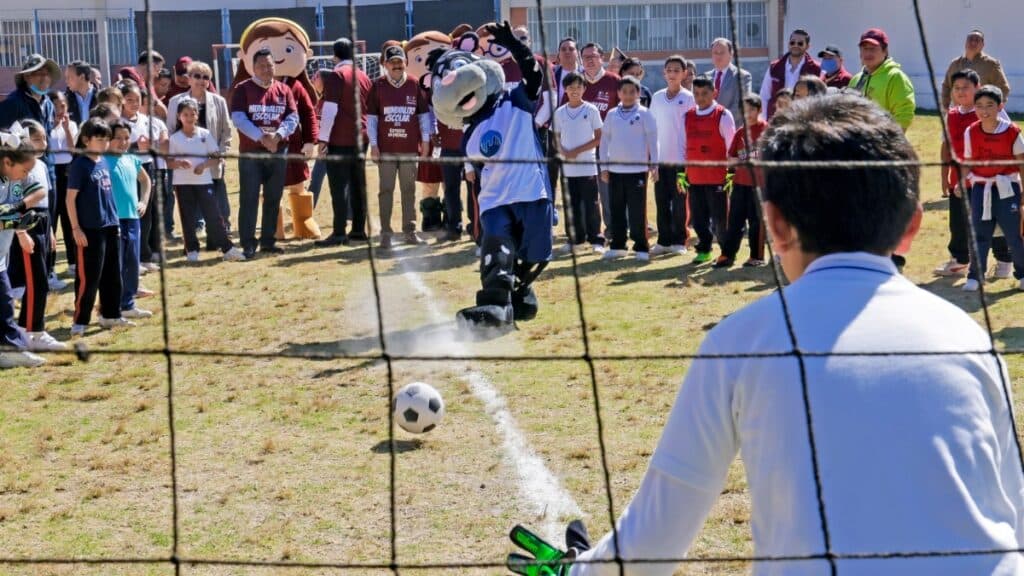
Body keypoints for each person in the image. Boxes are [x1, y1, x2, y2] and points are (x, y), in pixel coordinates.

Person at [513, 92, 1024, 576]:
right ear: (912, 226)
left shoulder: (740, 342)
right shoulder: (971, 339)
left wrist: (580, 569)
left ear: (774, 225)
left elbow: (650, 547)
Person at [933, 69, 1012, 279]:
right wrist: (944, 175)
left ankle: (1004, 261)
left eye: (966, 87)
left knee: (993, 221)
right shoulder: (951, 115)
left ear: (977, 88)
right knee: (958, 223)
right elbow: (946, 145)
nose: (960, 92)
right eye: (956, 88)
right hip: (958, 180)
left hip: (988, 181)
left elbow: (1008, 141)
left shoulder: (992, 110)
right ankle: (960, 260)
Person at [66, 118, 136, 336]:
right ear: (86, 140)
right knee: (89, 277)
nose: (104, 143)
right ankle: (80, 321)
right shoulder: (80, 165)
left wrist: (114, 221)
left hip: (110, 226)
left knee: (113, 275)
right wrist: (76, 229)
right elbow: (70, 200)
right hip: (89, 230)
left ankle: (111, 315)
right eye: (99, 139)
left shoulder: (103, 161)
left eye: (107, 139)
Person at [230, 48, 299, 259]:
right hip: (252, 153)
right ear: (253, 67)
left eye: (270, 65)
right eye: (261, 66)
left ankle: (268, 241)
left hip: (278, 151)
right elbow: (239, 119)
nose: (266, 69)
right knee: (249, 198)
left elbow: (292, 117)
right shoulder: (243, 89)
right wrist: (261, 137)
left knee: (273, 197)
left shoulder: (284, 89)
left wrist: (277, 136)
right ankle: (248, 243)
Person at [3, 120, 65, 352]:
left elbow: (44, 199)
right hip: (26, 224)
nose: (42, 143)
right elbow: (16, 204)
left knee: (42, 281)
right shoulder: (15, 171)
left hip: (41, 221)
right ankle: (31, 331)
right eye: (36, 138)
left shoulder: (37, 164)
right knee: (35, 281)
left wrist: (48, 229)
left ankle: (32, 328)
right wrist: (21, 233)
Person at [367, 44, 432, 249]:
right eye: (392, 62)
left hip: (409, 149)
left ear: (405, 63)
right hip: (386, 149)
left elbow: (423, 116)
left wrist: (426, 141)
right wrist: (374, 145)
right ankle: (386, 233)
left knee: (409, 190)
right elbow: (372, 119)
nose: (396, 65)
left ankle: (410, 231)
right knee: (385, 190)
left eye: (399, 61)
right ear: (385, 64)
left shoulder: (414, 84)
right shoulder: (377, 86)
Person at [961, 85, 1024, 292]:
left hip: (1007, 188)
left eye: (989, 105)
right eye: (979, 106)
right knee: (980, 234)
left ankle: (1022, 273)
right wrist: (961, 183)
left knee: (1014, 234)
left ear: (1000, 106)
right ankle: (975, 276)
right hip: (981, 188)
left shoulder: (1012, 132)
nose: (984, 110)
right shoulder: (971, 131)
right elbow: (968, 161)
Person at [168, 98, 245, 263]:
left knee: (214, 216)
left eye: (193, 114)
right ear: (179, 116)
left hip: (204, 182)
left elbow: (217, 158)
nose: (189, 117)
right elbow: (169, 161)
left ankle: (227, 248)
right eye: (185, 114)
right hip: (183, 184)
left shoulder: (205, 134)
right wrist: (179, 163)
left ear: (197, 115)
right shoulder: (175, 138)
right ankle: (192, 250)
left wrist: (204, 165)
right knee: (187, 218)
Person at [315, 37, 373, 247]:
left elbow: (330, 110)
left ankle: (339, 231)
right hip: (361, 136)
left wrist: (323, 139)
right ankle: (358, 231)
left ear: (334, 56)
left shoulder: (337, 76)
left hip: (340, 137)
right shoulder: (364, 76)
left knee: (338, 187)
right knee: (358, 185)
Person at [167, 61, 233, 240]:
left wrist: (220, 154)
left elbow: (226, 131)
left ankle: (221, 230)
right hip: (187, 160)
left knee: (217, 195)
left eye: (206, 77)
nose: (201, 80)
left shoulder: (218, 101)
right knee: (190, 196)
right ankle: (195, 232)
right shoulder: (175, 101)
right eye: (197, 76)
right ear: (188, 78)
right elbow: (171, 131)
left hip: (212, 158)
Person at [599, 76, 658, 262]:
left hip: (637, 172)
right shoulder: (611, 114)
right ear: (618, 94)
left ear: (638, 93)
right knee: (616, 210)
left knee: (637, 212)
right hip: (615, 172)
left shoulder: (645, 113)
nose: (628, 95)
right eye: (624, 92)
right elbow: (604, 141)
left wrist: (654, 165)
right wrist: (604, 167)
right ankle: (618, 245)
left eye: (632, 92)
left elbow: (653, 141)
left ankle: (641, 247)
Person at [0, 135, 46, 368]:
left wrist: (18, 209)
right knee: (5, 302)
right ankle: (13, 350)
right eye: (24, 169)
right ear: (8, 162)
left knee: (4, 303)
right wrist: (16, 223)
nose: (27, 175)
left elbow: (39, 191)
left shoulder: (13, 179)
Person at [105, 119, 154, 321]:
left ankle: (128, 304)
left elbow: (145, 180)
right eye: (118, 138)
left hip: (133, 218)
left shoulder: (132, 159)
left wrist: (143, 201)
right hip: (113, 221)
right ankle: (111, 307)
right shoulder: (102, 160)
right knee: (115, 265)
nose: (123, 142)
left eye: (126, 138)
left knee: (132, 262)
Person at [685, 76, 736, 264]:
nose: (700, 98)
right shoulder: (688, 115)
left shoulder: (723, 115)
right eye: (696, 94)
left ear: (714, 92)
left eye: (704, 94)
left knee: (720, 220)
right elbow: (685, 146)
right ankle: (704, 249)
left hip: (717, 178)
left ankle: (727, 253)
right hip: (695, 178)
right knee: (698, 220)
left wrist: (732, 173)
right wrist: (684, 172)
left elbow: (732, 148)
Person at [649, 55, 695, 257]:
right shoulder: (657, 97)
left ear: (684, 74)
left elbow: (693, 129)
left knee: (679, 201)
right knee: (661, 201)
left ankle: (679, 240)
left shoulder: (689, 98)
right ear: (664, 72)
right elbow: (652, 129)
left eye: (677, 70)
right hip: (661, 160)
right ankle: (663, 241)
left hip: (681, 160)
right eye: (669, 70)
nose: (672, 74)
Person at [715, 94, 768, 269]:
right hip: (740, 183)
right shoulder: (740, 132)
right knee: (735, 220)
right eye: (745, 110)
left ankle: (757, 256)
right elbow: (731, 157)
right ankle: (728, 255)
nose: (748, 114)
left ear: (759, 110)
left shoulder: (766, 131)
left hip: (759, 185)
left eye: (752, 109)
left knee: (756, 221)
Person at [554, 71, 604, 252]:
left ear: (584, 88)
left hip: (587, 166)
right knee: (571, 205)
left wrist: (577, 151)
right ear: (565, 90)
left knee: (591, 205)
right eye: (570, 87)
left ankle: (596, 240)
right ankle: (575, 240)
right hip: (567, 169)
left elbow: (599, 137)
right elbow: (556, 138)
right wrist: (564, 151)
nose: (575, 91)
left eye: (578, 87)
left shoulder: (591, 110)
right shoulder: (560, 113)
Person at [120, 82, 165, 273]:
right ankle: (135, 257)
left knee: (150, 211)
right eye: (129, 100)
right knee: (135, 212)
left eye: (137, 100)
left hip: (148, 167)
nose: (134, 103)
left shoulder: (147, 120)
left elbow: (162, 143)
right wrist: (136, 147)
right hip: (128, 169)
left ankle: (147, 254)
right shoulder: (118, 122)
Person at [849, 28, 915, 132]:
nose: (868, 53)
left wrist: (890, 142)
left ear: (885, 51)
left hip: (883, 143)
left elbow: (903, 115)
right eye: (864, 48)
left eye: (873, 49)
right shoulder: (856, 79)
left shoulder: (895, 77)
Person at [48, 90, 78, 283]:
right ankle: (49, 269)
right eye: (57, 106)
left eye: (64, 105)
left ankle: (73, 263)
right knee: (52, 220)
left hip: (68, 171)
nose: (61, 110)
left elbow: (74, 149)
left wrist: (66, 129)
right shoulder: (44, 124)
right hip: (51, 172)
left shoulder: (72, 124)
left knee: (70, 218)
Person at [940, 29, 1011, 111]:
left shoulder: (991, 64)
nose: (973, 42)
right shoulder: (955, 64)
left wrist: (996, 107)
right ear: (965, 43)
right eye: (970, 39)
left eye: (977, 40)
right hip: (958, 112)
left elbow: (1003, 87)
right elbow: (946, 86)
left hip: (982, 113)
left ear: (982, 45)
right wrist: (945, 106)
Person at [759, 29, 820, 119]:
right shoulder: (774, 67)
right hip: (777, 118)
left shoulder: (816, 69)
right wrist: (765, 121)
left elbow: (819, 99)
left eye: (800, 43)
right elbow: (764, 96)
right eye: (792, 42)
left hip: (803, 119)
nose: (795, 45)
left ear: (807, 46)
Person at [704, 38, 753, 122]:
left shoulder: (742, 76)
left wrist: (717, 122)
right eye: (715, 53)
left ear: (731, 54)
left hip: (731, 129)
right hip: (707, 131)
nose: (718, 56)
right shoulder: (704, 77)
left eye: (722, 52)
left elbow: (740, 106)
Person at [64, 60, 96, 124]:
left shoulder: (101, 98)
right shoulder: (65, 100)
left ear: (82, 77)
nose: (66, 81)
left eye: (69, 77)